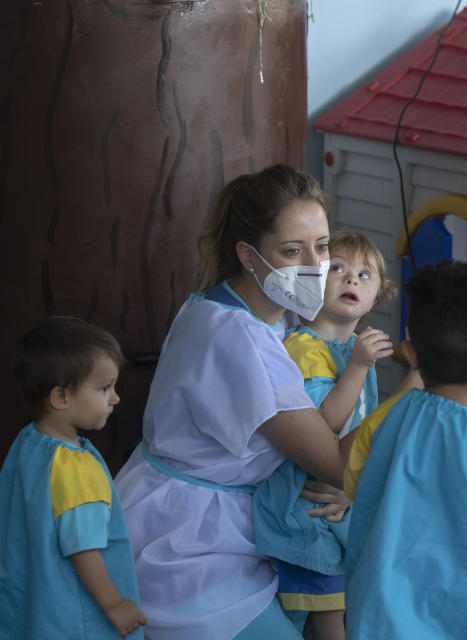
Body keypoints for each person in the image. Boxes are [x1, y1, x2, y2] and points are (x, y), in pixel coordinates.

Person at [114, 165, 355, 640]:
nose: (314, 264)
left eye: (322, 246)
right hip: (189, 545)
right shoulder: (240, 340)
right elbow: (335, 463)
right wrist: (417, 386)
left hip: (185, 513)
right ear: (248, 254)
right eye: (292, 250)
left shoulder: (231, 305)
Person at [343, 260, 467, 640]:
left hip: (372, 622)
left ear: (410, 354)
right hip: (462, 626)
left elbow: (354, 486)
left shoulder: (384, 419)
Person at [253, 231, 401, 639]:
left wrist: (354, 487)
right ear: (311, 283)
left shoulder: (353, 348)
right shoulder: (306, 347)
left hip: (338, 496)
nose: (352, 279)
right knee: (330, 619)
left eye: (365, 274)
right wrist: (356, 367)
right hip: (307, 509)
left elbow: (361, 437)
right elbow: (326, 427)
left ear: (379, 296)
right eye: (338, 268)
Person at [0, 316, 145, 639]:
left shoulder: (28, 442)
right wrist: (115, 606)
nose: (115, 398)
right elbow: (83, 551)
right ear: (61, 398)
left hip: (35, 609)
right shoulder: (75, 468)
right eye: (104, 388)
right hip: (76, 619)